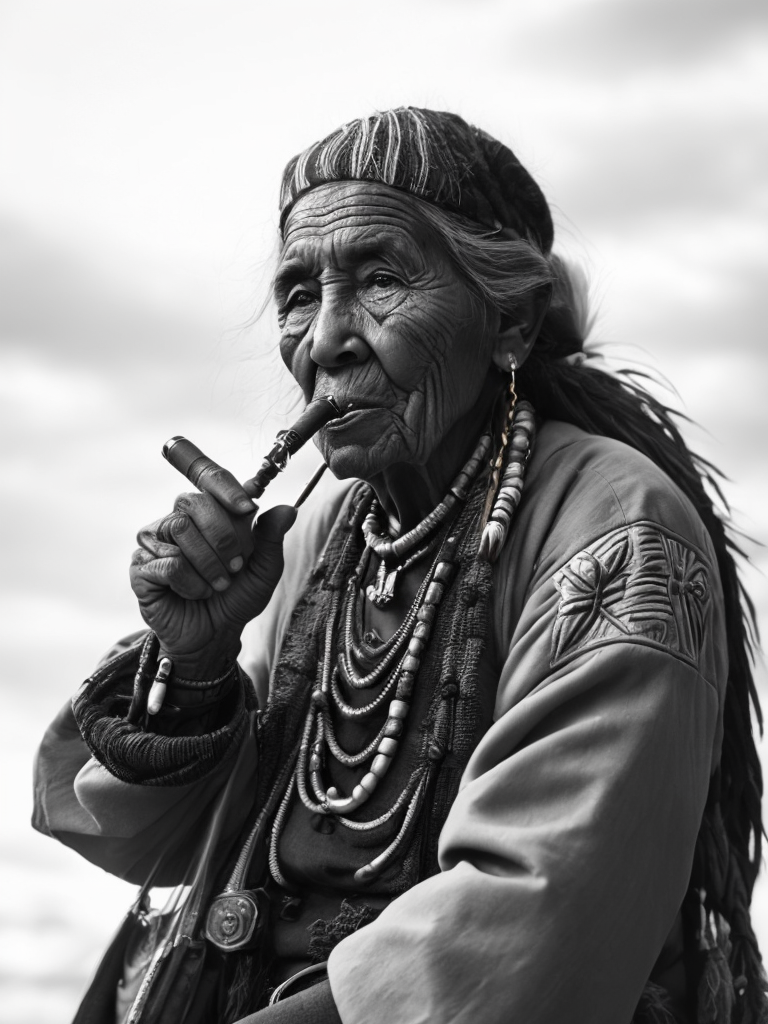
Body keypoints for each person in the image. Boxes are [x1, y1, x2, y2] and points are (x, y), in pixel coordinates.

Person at [33, 108, 767, 1024]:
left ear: (510, 322)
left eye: (380, 279)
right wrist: (197, 659)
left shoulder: (619, 527)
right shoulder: (320, 534)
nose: (326, 338)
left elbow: (537, 911)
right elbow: (167, 845)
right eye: (299, 293)